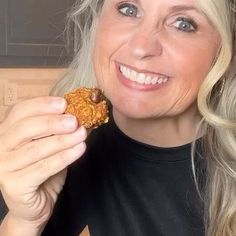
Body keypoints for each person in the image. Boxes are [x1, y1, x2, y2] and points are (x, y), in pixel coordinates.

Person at [0, 0, 235, 235]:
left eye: (183, 24)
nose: (141, 47)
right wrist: (22, 223)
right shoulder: (49, 149)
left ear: (225, 52)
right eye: (129, 9)